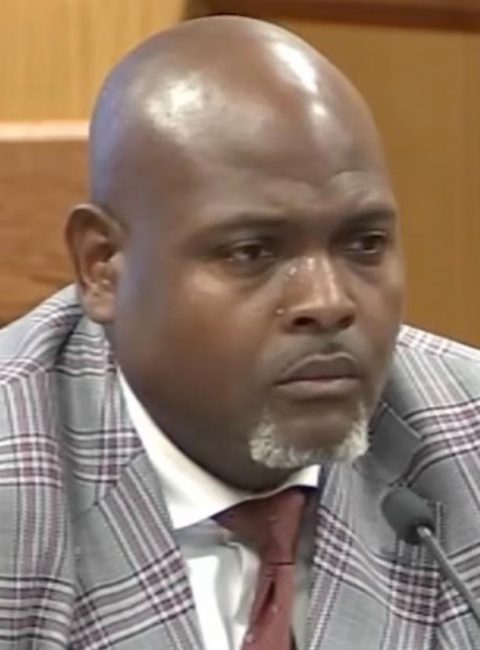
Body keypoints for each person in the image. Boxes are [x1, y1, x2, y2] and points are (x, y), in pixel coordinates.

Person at [0, 15, 479, 650]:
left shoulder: (463, 439)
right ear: (103, 266)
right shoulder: (18, 481)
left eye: (364, 244)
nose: (328, 302)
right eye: (251, 251)